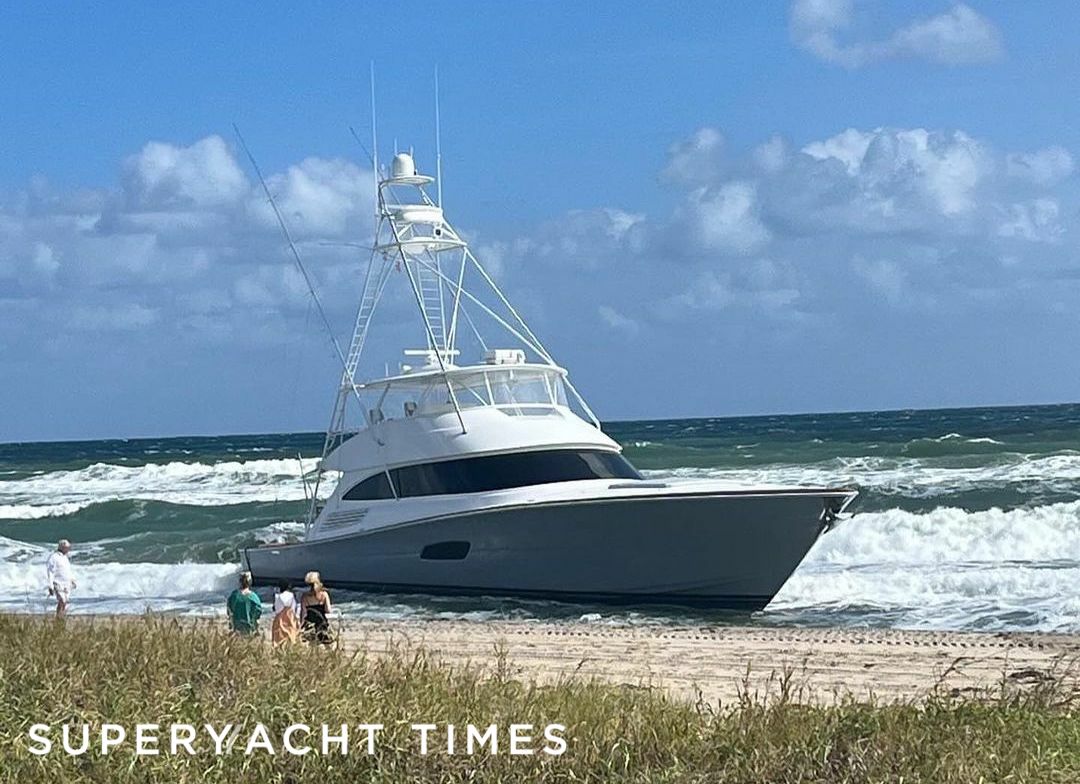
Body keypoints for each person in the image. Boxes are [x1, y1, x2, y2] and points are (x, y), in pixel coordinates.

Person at [300, 570, 334, 645]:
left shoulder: (304, 597)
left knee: (311, 645)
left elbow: (303, 614)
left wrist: (300, 626)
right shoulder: (324, 595)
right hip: (322, 625)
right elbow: (328, 610)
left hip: (310, 625)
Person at [45, 539, 76, 619]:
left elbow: (68, 570)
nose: (68, 550)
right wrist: (50, 585)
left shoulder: (65, 558)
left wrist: (72, 580)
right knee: (61, 600)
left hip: (66, 583)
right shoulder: (54, 557)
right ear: (62, 547)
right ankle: (58, 618)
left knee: (65, 602)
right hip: (58, 582)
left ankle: (61, 617)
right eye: (67, 548)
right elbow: (50, 572)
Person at [226, 572, 262, 636]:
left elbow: (229, 612)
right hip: (250, 629)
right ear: (250, 582)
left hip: (237, 629)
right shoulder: (254, 597)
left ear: (239, 581)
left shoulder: (234, 596)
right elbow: (257, 614)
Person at [271, 579, 300, 645]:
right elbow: (294, 608)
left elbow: (277, 609)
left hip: (280, 619)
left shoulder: (278, 596)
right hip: (290, 618)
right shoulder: (292, 596)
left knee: (279, 639)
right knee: (291, 637)